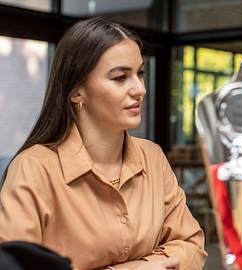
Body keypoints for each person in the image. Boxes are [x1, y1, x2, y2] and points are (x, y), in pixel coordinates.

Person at [0, 17, 207, 270]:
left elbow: (191, 245)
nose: (139, 88)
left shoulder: (152, 157)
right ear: (77, 92)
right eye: (120, 77)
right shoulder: (33, 169)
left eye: (140, 73)